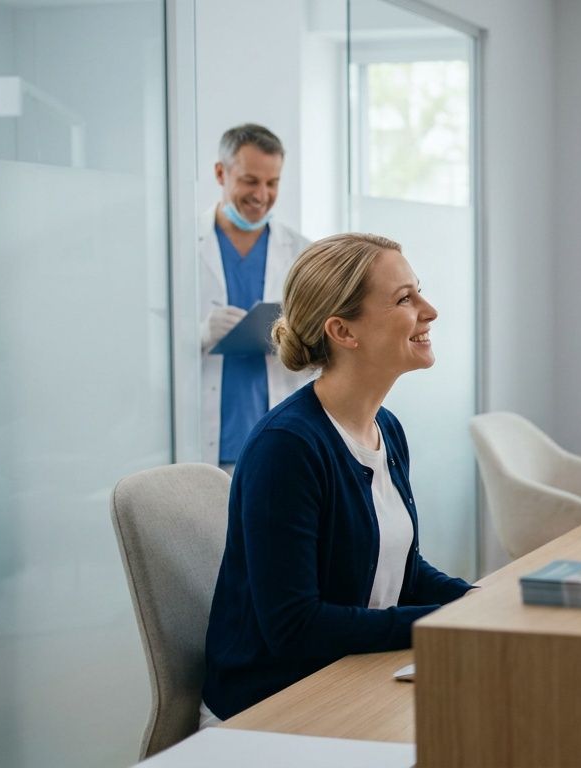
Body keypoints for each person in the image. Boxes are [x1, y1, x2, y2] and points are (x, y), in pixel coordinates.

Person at [201, 233, 474, 723]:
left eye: (419, 291)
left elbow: (401, 572)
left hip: (348, 675)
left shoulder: (384, 429)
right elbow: (295, 628)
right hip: (273, 706)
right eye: (404, 299)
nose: (428, 310)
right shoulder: (286, 447)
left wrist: (478, 601)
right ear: (344, 332)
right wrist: (448, 621)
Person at [198, 123, 312, 469]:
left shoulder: (300, 252)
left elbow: (318, 354)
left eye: (272, 183)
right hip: (203, 434)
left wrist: (301, 338)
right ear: (221, 173)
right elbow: (143, 342)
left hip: (276, 434)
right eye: (250, 181)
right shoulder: (179, 245)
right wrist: (198, 333)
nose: (261, 194)